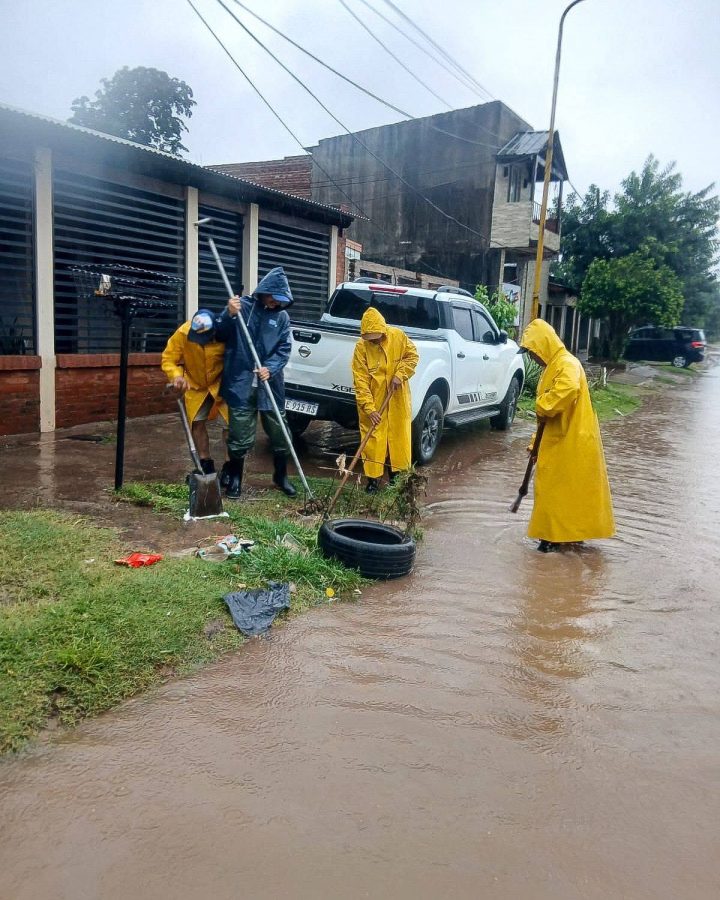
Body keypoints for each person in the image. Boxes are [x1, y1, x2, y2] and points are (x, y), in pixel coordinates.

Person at [518, 318, 615, 552]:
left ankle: (554, 537)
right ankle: (561, 535)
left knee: (558, 490)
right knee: (557, 490)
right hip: (558, 439)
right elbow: (545, 420)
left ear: (543, 345)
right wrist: (535, 446)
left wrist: (542, 404)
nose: (532, 358)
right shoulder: (553, 366)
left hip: (572, 440)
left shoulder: (567, 364)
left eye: (532, 352)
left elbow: (565, 391)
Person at [214, 266, 296, 500]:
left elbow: (284, 347)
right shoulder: (242, 308)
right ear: (265, 291)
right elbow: (220, 333)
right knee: (239, 433)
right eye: (274, 299)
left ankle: (281, 476)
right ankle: (236, 478)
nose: (276, 304)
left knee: (280, 432)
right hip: (240, 381)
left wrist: (271, 368)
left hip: (269, 382)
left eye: (281, 301)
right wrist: (228, 314)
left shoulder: (282, 317)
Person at [351, 307, 419, 493]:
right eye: (370, 339)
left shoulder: (398, 336)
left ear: (383, 331)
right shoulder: (361, 348)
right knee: (374, 441)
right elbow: (361, 380)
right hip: (374, 400)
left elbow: (412, 356)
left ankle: (397, 480)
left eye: (376, 338)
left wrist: (400, 374)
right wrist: (369, 408)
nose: (374, 342)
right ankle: (373, 481)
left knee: (398, 439)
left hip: (396, 399)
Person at [161, 309, 228, 475]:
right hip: (195, 384)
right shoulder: (183, 332)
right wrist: (176, 376)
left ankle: (229, 466)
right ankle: (205, 462)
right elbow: (169, 358)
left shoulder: (226, 331)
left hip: (222, 382)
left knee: (230, 425)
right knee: (196, 422)